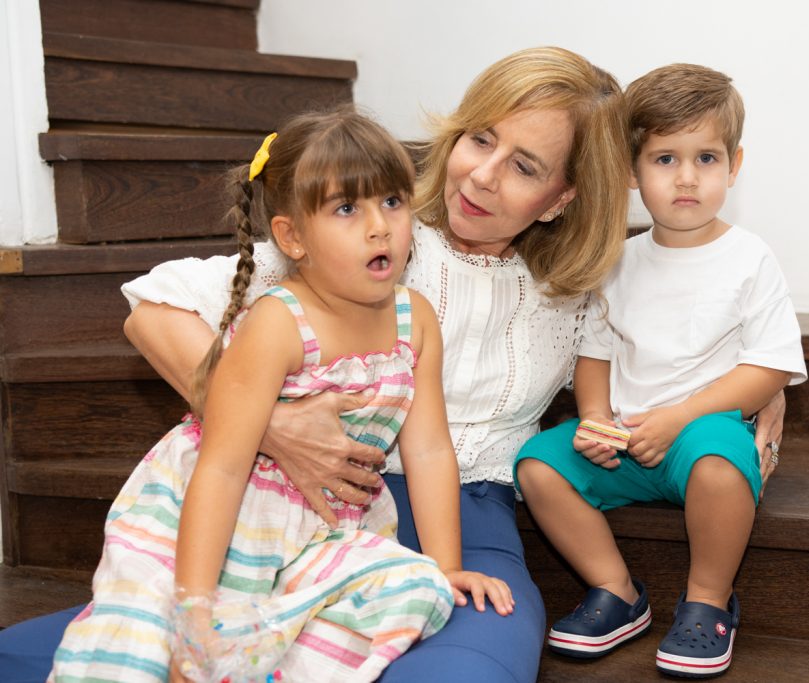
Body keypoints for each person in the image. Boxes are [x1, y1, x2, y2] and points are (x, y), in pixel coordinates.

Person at [0, 48, 785, 683]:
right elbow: (156, 308)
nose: (481, 173)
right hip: (306, 508)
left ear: (560, 197)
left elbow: (702, 326)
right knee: (103, 650)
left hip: (467, 517)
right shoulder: (378, 240)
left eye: (522, 165)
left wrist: (767, 395)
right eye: (481, 139)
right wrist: (269, 424)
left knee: (470, 672)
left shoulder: (580, 285)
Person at [49, 109, 515, 683]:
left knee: (420, 589)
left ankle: (265, 662)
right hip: (226, 512)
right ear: (291, 236)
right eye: (347, 208)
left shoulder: (414, 319)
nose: (379, 226)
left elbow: (428, 452)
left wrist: (447, 566)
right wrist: (196, 603)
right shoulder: (279, 322)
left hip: (329, 525)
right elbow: (221, 467)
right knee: (148, 647)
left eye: (392, 202)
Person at [514, 63, 807, 679]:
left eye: (706, 158)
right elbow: (595, 352)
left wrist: (678, 418)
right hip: (624, 439)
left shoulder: (748, 258)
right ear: (629, 170)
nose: (687, 178)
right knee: (538, 466)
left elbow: (770, 366)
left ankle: (707, 599)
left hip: (703, 431)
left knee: (722, 469)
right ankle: (615, 590)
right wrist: (594, 418)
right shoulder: (618, 259)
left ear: (734, 164)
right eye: (665, 159)